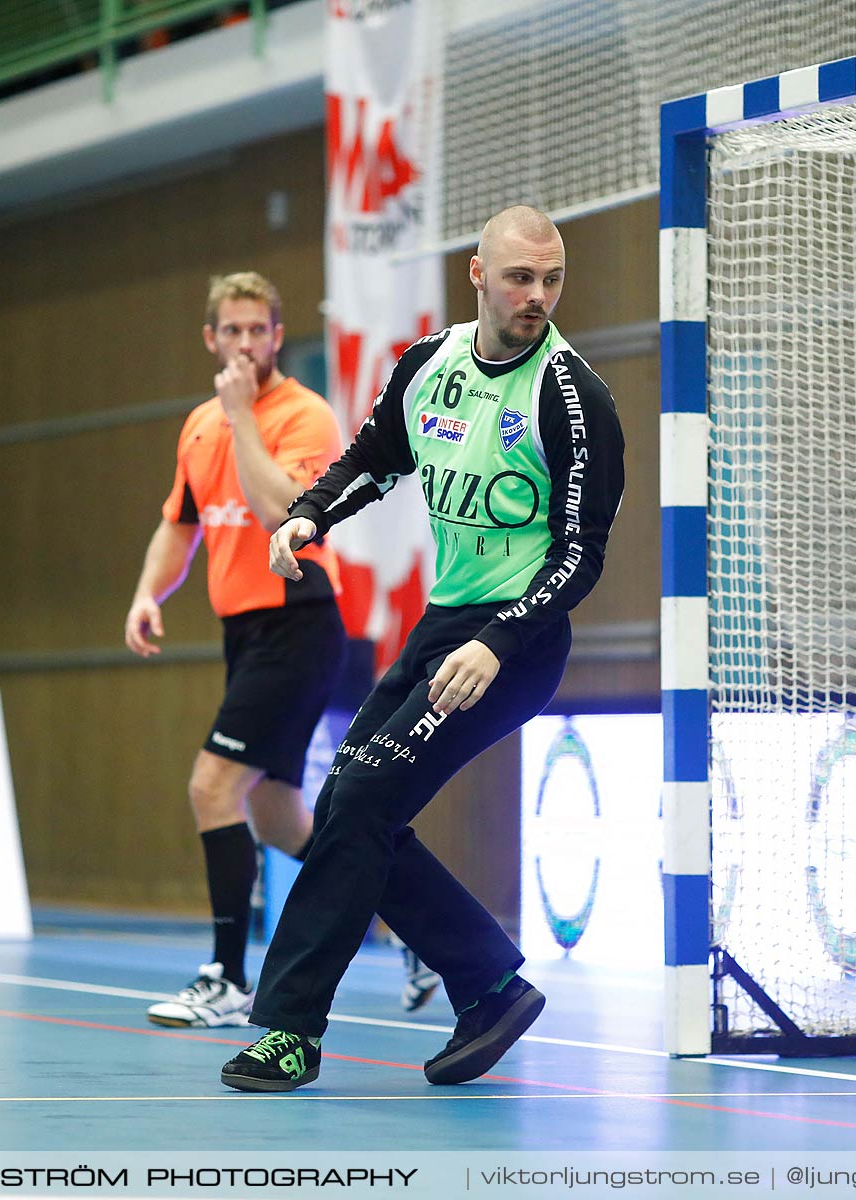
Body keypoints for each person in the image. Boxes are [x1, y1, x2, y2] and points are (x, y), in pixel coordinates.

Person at [219, 207, 626, 1091]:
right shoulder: (430, 366)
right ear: (477, 275)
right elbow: (376, 455)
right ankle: (487, 983)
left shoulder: (572, 396)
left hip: (515, 641)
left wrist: (499, 641)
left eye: (552, 280)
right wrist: (308, 517)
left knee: (359, 797)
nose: (538, 296)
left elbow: (580, 552)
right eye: (520, 278)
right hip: (443, 623)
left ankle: (289, 1032)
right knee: (348, 808)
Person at [127, 272, 438, 1028]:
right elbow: (181, 523)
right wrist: (146, 594)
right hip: (244, 631)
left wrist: (241, 420)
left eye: (257, 331)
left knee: (211, 787)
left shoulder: (303, 416)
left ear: (276, 335)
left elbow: (279, 511)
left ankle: (227, 978)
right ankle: (416, 928)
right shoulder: (199, 425)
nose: (243, 343)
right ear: (211, 338)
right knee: (276, 818)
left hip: (297, 620)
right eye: (230, 331)